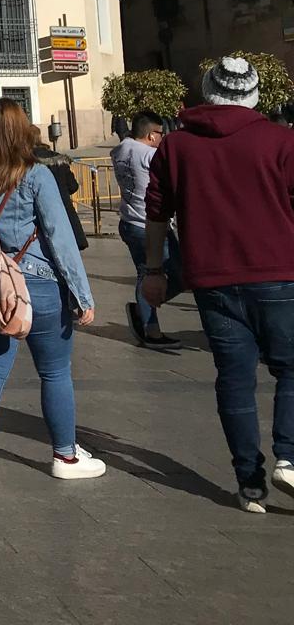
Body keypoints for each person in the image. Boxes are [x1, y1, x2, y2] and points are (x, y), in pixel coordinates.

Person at [143, 56, 294, 512]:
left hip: (211, 280)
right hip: (278, 274)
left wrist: (154, 271)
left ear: (207, 92)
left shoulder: (175, 147)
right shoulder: (280, 141)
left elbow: (155, 212)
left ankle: (249, 483)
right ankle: (289, 456)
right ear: (253, 96)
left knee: (233, 379)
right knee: (290, 367)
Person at [0, 98, 103, 493]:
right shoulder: (36, 175)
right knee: (54, 371)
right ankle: (65, 455)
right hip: (34, 281)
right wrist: (81, 294)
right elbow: (60, 237)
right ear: (22, 131)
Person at [112, 112, 178, 349]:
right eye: (160, 133)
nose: (162, 138)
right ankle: (147, 321)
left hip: (129, 221)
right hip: (149, 224)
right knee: (178, 273)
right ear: (151, 134)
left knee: (146, 274)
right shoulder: (151, 155)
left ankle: (148, 319)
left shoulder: (120, 150)